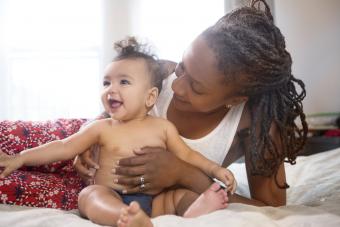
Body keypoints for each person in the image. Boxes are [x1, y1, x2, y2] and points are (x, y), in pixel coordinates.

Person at [75, 1, 308, 226]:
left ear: (234, 99)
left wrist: (184, 174)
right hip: (104, 185)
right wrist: (87, 139)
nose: (176, 86)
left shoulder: (256, 125)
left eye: (196, 87)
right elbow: (112, 108)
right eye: (182, 66)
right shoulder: (160, 73)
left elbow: (270, 209)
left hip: (159, 203)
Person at [0, 37, 236, 226]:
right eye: (106, 82)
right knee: (90, 196)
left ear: (150, 96)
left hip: (155, 200)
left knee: (181, 195)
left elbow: (187, 156)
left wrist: (215, 169)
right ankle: (124, 217)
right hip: (112, 194)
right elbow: (63, 147)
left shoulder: (163, 128)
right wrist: (21, 158)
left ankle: (193, 212)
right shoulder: (101, 128)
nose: (111, 89)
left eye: (123, 82)